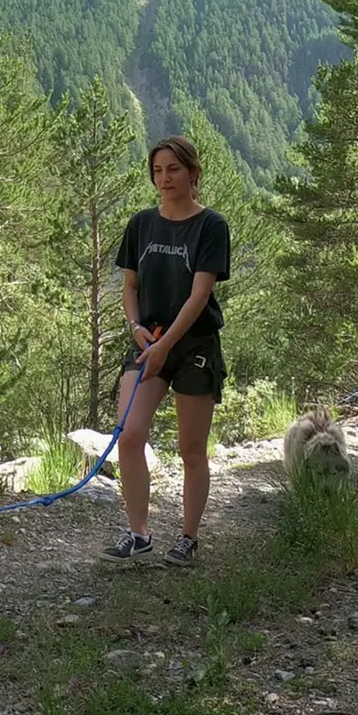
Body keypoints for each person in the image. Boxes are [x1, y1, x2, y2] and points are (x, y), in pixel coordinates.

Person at [101, 136, 230, 566]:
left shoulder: (211, 225)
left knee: (191, 450)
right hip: (148, 340)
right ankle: (139, 533)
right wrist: (135, 327)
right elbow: (130, 286)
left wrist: (166, 346)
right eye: (158, 170)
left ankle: (189, 537)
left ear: (193, 173)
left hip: (194, 345)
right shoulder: (141, 224)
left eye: (173, 169)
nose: (165, 178)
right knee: (129, 434)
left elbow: (199, 295)